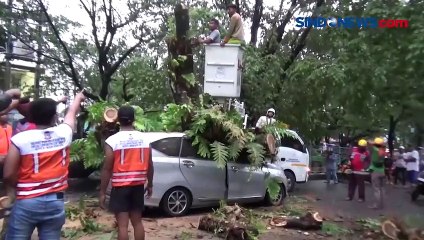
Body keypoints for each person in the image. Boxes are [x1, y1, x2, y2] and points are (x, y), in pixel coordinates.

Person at [3, 92, 85, 239]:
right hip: (55, 202)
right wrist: (78, 98)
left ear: (31, 117)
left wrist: (15, 189)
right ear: (54, 117)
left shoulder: (20, 139)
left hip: (27, 201)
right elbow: (71, 113)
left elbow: (8, 174)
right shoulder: (63, 134)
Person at [99, 106, 154, 240]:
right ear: (134, 119)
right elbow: (150, 164)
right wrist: (150, 184)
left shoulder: (112, 141)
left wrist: (102, 192)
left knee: (123, 226)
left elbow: (107, 168)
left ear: (118, 120)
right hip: (138, 186)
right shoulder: (145, 139)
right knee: (137, 222)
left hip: (120, 187)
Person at [367, 137, 386, 209]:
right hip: (382, 171)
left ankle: (376, 205)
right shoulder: (382, 150)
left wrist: (372, 142)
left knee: (376, 189)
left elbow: (368, 142)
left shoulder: (374, 150)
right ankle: (382, 204)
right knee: (382, 188)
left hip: (375, 171)